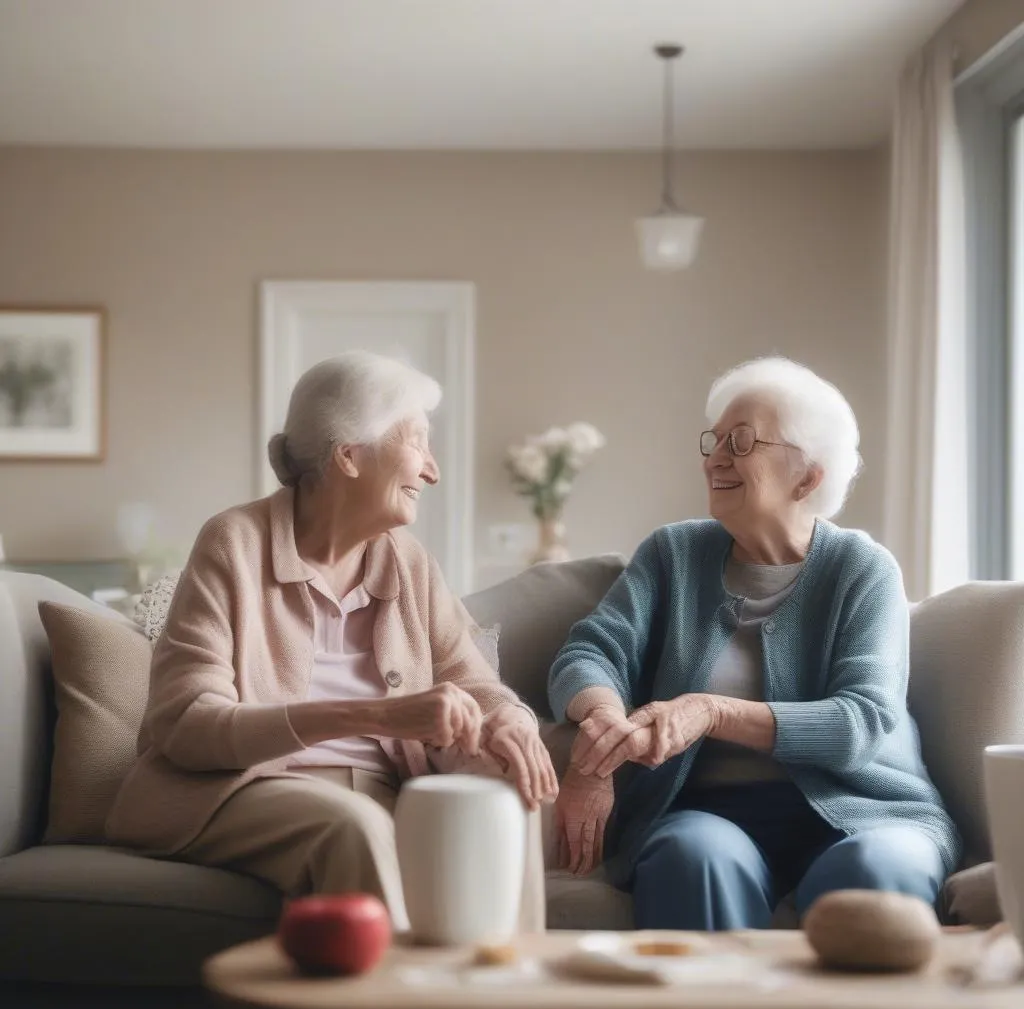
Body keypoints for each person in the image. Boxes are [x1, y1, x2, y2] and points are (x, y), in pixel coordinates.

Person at [107, 351, 557, 931]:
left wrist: (510, 719)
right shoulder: (234, 544)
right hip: (246, 787)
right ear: (350, 455)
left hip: (386, 786)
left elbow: (469, 677)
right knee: (355, 824)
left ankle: (505, 994)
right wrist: (377, 714)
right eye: (417, 442)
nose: (432, 471)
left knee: (517, 792)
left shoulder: (408, 563)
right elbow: (186, 725)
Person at [548, 356, 960, 930]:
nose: (715, 458)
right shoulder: (674, 555)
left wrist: (709, 710)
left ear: (808, 476)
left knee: (878, 873)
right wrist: (601, 733)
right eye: (714, 441)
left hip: (867, 812)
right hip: (708, 814)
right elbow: (590, 652)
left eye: (741, 442)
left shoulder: (862, 569)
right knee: (693, 859)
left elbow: (860, 722)